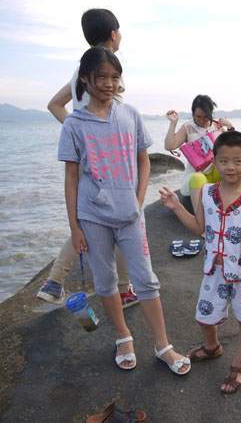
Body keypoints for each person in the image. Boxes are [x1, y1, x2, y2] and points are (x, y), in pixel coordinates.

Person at [59, 47, 190, 375]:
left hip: (130, 214)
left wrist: (139, 198)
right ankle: (123, 337)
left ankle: (163, 346)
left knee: (146, 279)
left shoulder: (130, 114)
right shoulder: (74, 124)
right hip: (92, 216)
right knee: (105, 281)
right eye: (100, 76)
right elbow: (72, 176)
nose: (108, 83)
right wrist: (75, 227)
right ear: (86, 79)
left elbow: (143, 159)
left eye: (114, 77)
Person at [159, 131, 241, 392]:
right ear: (213, 161)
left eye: (237, 161)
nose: (230, 167)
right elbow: (199, 227)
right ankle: (212, 347)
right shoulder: (207, 193)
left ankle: (239, 365)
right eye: (223, 161)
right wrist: (177, 207)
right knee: (204, 316)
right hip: (215, 270)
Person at [38, 8, 137, 308]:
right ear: (112, 34)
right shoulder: (108, 68)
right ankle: (123, 289)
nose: (110, 82)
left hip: (87, 158)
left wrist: (79, 134)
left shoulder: (83, 68)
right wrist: (89, 134)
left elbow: (55, 105)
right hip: (108, 159)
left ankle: (55, 281)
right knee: (119, 218)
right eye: (119, 31)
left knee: (89, 220)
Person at [164, 95, 234, 210]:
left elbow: (235, 147)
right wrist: (173, 123)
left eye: (205, 117)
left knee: (227, 170)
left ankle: (229, 210)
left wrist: (230, 126)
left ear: (211, 113)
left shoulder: (219, 127)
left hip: (217, 172)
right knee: (197, 178)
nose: (201, 120)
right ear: (193, 114)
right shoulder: (188, 127)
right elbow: (169, 146)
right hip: (197, 174)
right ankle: (199, 221)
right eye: (197, 117)